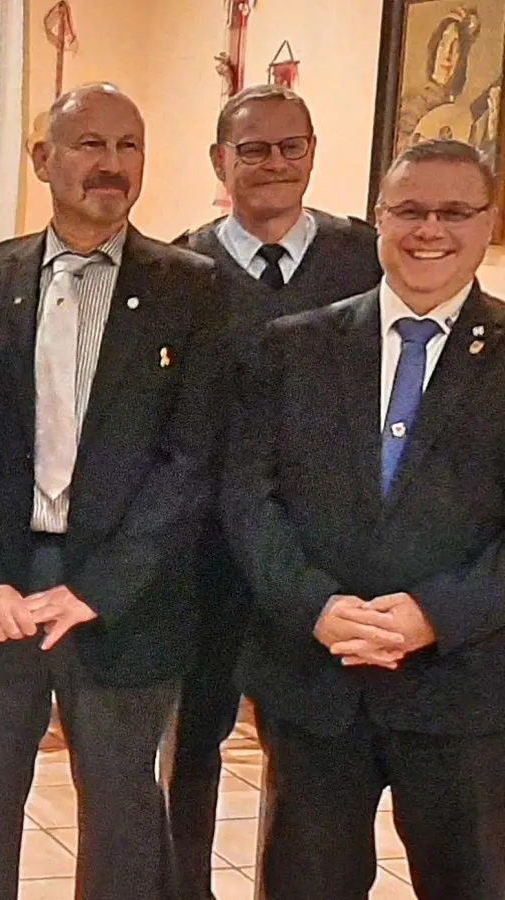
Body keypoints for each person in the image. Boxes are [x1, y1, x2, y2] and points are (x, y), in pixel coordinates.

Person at [0, 83, 229, 900]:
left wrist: (96, 589)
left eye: (129, 147)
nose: (111, 165)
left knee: (126, 820)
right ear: (43, 159)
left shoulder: (192, 289)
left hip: (124, 602)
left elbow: (191, 463)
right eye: (90, 144)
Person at [224, 138, 505, 900]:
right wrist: (315, 606)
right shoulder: (293, 349)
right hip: (315, 685)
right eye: (410, 210)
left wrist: (433, 615)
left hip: (465, 689)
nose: (430, 230)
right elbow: (249, 500)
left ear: (490, 221)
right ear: (378, 218)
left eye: (455, 211)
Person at [168, 83, 382, 900]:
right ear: (220, 160)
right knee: (193, 745)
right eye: (252, 149)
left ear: (315, 153)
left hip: (320, 561)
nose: (273, 164)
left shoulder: (365, 258)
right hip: (204, 556)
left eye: (291, 146)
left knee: (308, 759)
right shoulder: (180, 267)